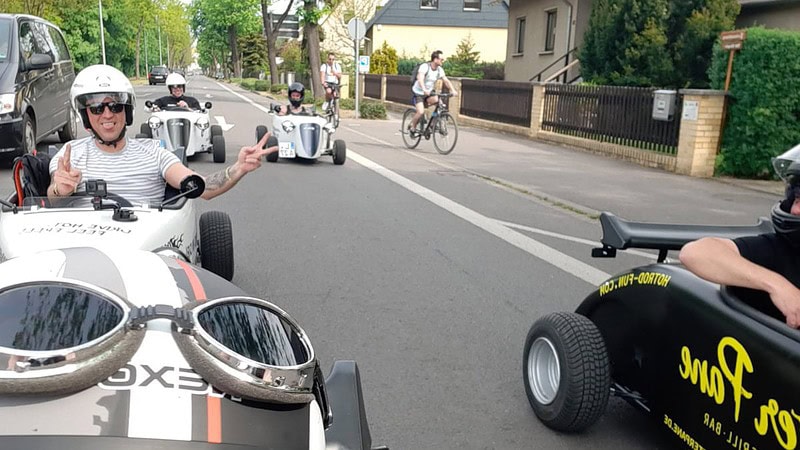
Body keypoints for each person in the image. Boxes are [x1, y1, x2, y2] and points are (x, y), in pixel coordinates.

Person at [48, 64, 276, 206]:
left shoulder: (154, 152)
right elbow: (50, 199)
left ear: (126, 111)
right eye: (97, 108)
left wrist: (238, 168)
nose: (107, 114)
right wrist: (60, 190)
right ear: (85, 115)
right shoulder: (69, 155)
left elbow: (201, 187)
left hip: (146, 250)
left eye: (115, 106)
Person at [679, 145, 800, 329]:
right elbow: (696, 253)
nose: (796, 209)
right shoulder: (779, 250)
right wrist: (778, 285)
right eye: (797, 200)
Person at [407, 50, 458, 134]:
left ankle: (432, 125)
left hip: (429, 92)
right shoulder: (425, 67)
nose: (443, 61)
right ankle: (413, 126)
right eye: (441, 59)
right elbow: (420, 78)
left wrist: (453, 90)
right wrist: (424, 89)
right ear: (435, 59)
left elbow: (446, 80)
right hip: (419, 93)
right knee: (420, 112)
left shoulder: (439, 70)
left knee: (440, 104)